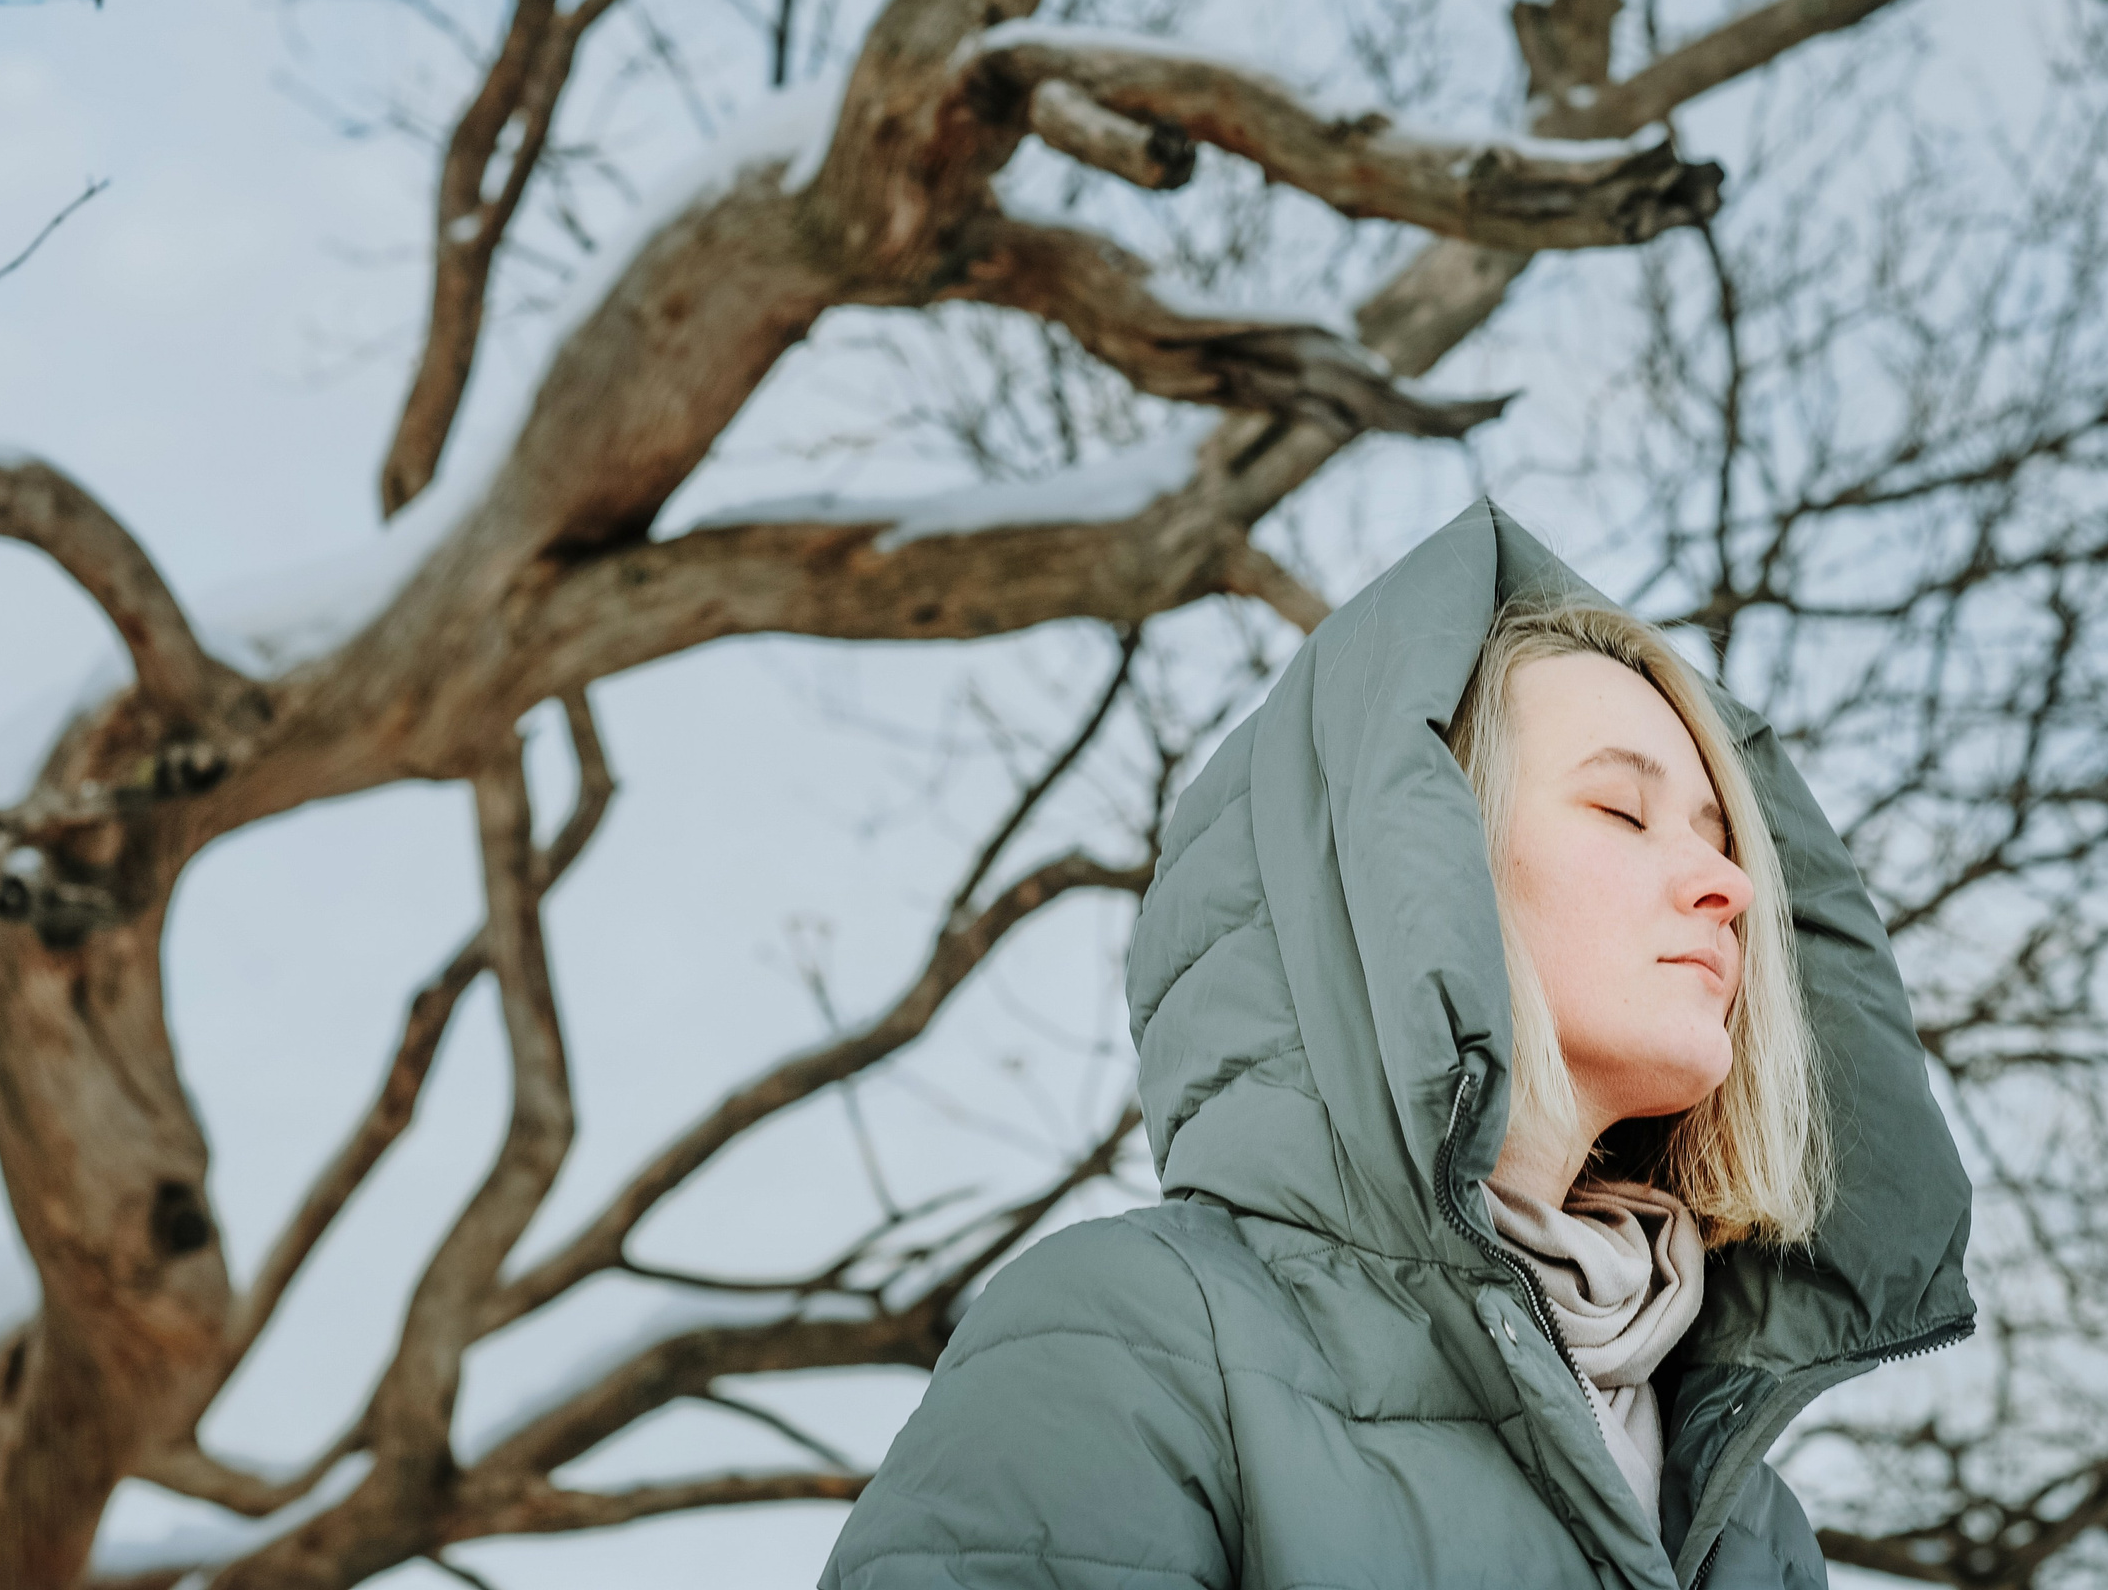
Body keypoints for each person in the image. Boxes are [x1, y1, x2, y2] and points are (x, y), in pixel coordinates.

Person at [821, 499, 1975, 1590]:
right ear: (1420, 865)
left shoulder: (1747, 1519)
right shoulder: (1137, 1335)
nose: (1725, 884)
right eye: (1623, 812)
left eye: (1723, 840)